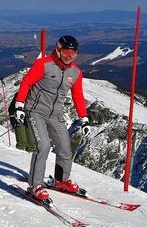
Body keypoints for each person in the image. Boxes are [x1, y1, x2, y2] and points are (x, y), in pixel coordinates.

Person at [14, 35, 91, 201]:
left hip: (56, 114)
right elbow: (26, 82)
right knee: (43, 146)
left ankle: (62, 180)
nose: (68, 57)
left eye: (73, 54)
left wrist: (84, 118)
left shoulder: (76, 73)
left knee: (65, 148)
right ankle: (35, 185)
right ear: (58, 50)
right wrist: (19, 105)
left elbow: (78, 95)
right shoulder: (44, 65)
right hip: (36, 111)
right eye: (65, 53)